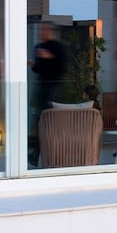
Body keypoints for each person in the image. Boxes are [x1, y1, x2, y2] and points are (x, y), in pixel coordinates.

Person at [29, 23, 72, 163]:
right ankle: (36, 153)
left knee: (52, 121)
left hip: (54, 88)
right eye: (40, 30)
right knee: (40, 120)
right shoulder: (39, 46)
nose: (41, 32)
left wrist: (50, 57)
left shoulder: (59, 47)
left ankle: (55, 153)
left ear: (50, 31)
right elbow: (40, 69)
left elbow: (62, 69)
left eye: (43, 30)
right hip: (42, 88)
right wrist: (33, 65)